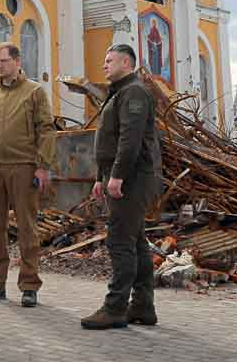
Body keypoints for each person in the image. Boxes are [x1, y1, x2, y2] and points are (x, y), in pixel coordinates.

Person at [81, 43, 163, 330]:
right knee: (136, 241)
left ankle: (115, 308)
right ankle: (142, 306)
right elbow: (110, 140)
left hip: (133, 179)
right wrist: (100, 178)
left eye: (109, 60)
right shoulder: (121, 92)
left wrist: (116, 177)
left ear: (126, 63)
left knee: (120, 241)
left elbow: (130, 139)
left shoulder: (134, 92)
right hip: (122, 177)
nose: (104, 65)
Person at [0, 41, 56, 308]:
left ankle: (29, 285)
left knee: (27, 228)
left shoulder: (34, 92)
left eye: (3, 61)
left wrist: (42, 166)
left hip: (23, 167)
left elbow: (46, 130)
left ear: (17, 62)